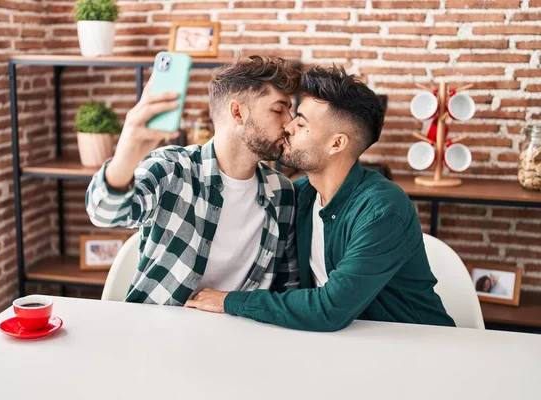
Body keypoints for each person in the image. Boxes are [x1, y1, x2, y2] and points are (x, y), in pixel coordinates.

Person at [186, 66, 456, 331]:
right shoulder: (298, 195)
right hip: (343, 347)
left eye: (301, 123)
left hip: (418, 348)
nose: (288, 126)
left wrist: (229, 301)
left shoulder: (383, 210)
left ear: (336, 144)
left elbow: (331, 308)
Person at [86, 56, 300, 305]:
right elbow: (103, 213)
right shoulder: (173, 169)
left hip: (242, 333)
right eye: (278, 109)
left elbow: (287, 289)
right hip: (160, 331)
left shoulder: (282, 192)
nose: (289, 122)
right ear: (237, 112)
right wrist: (125, 156)